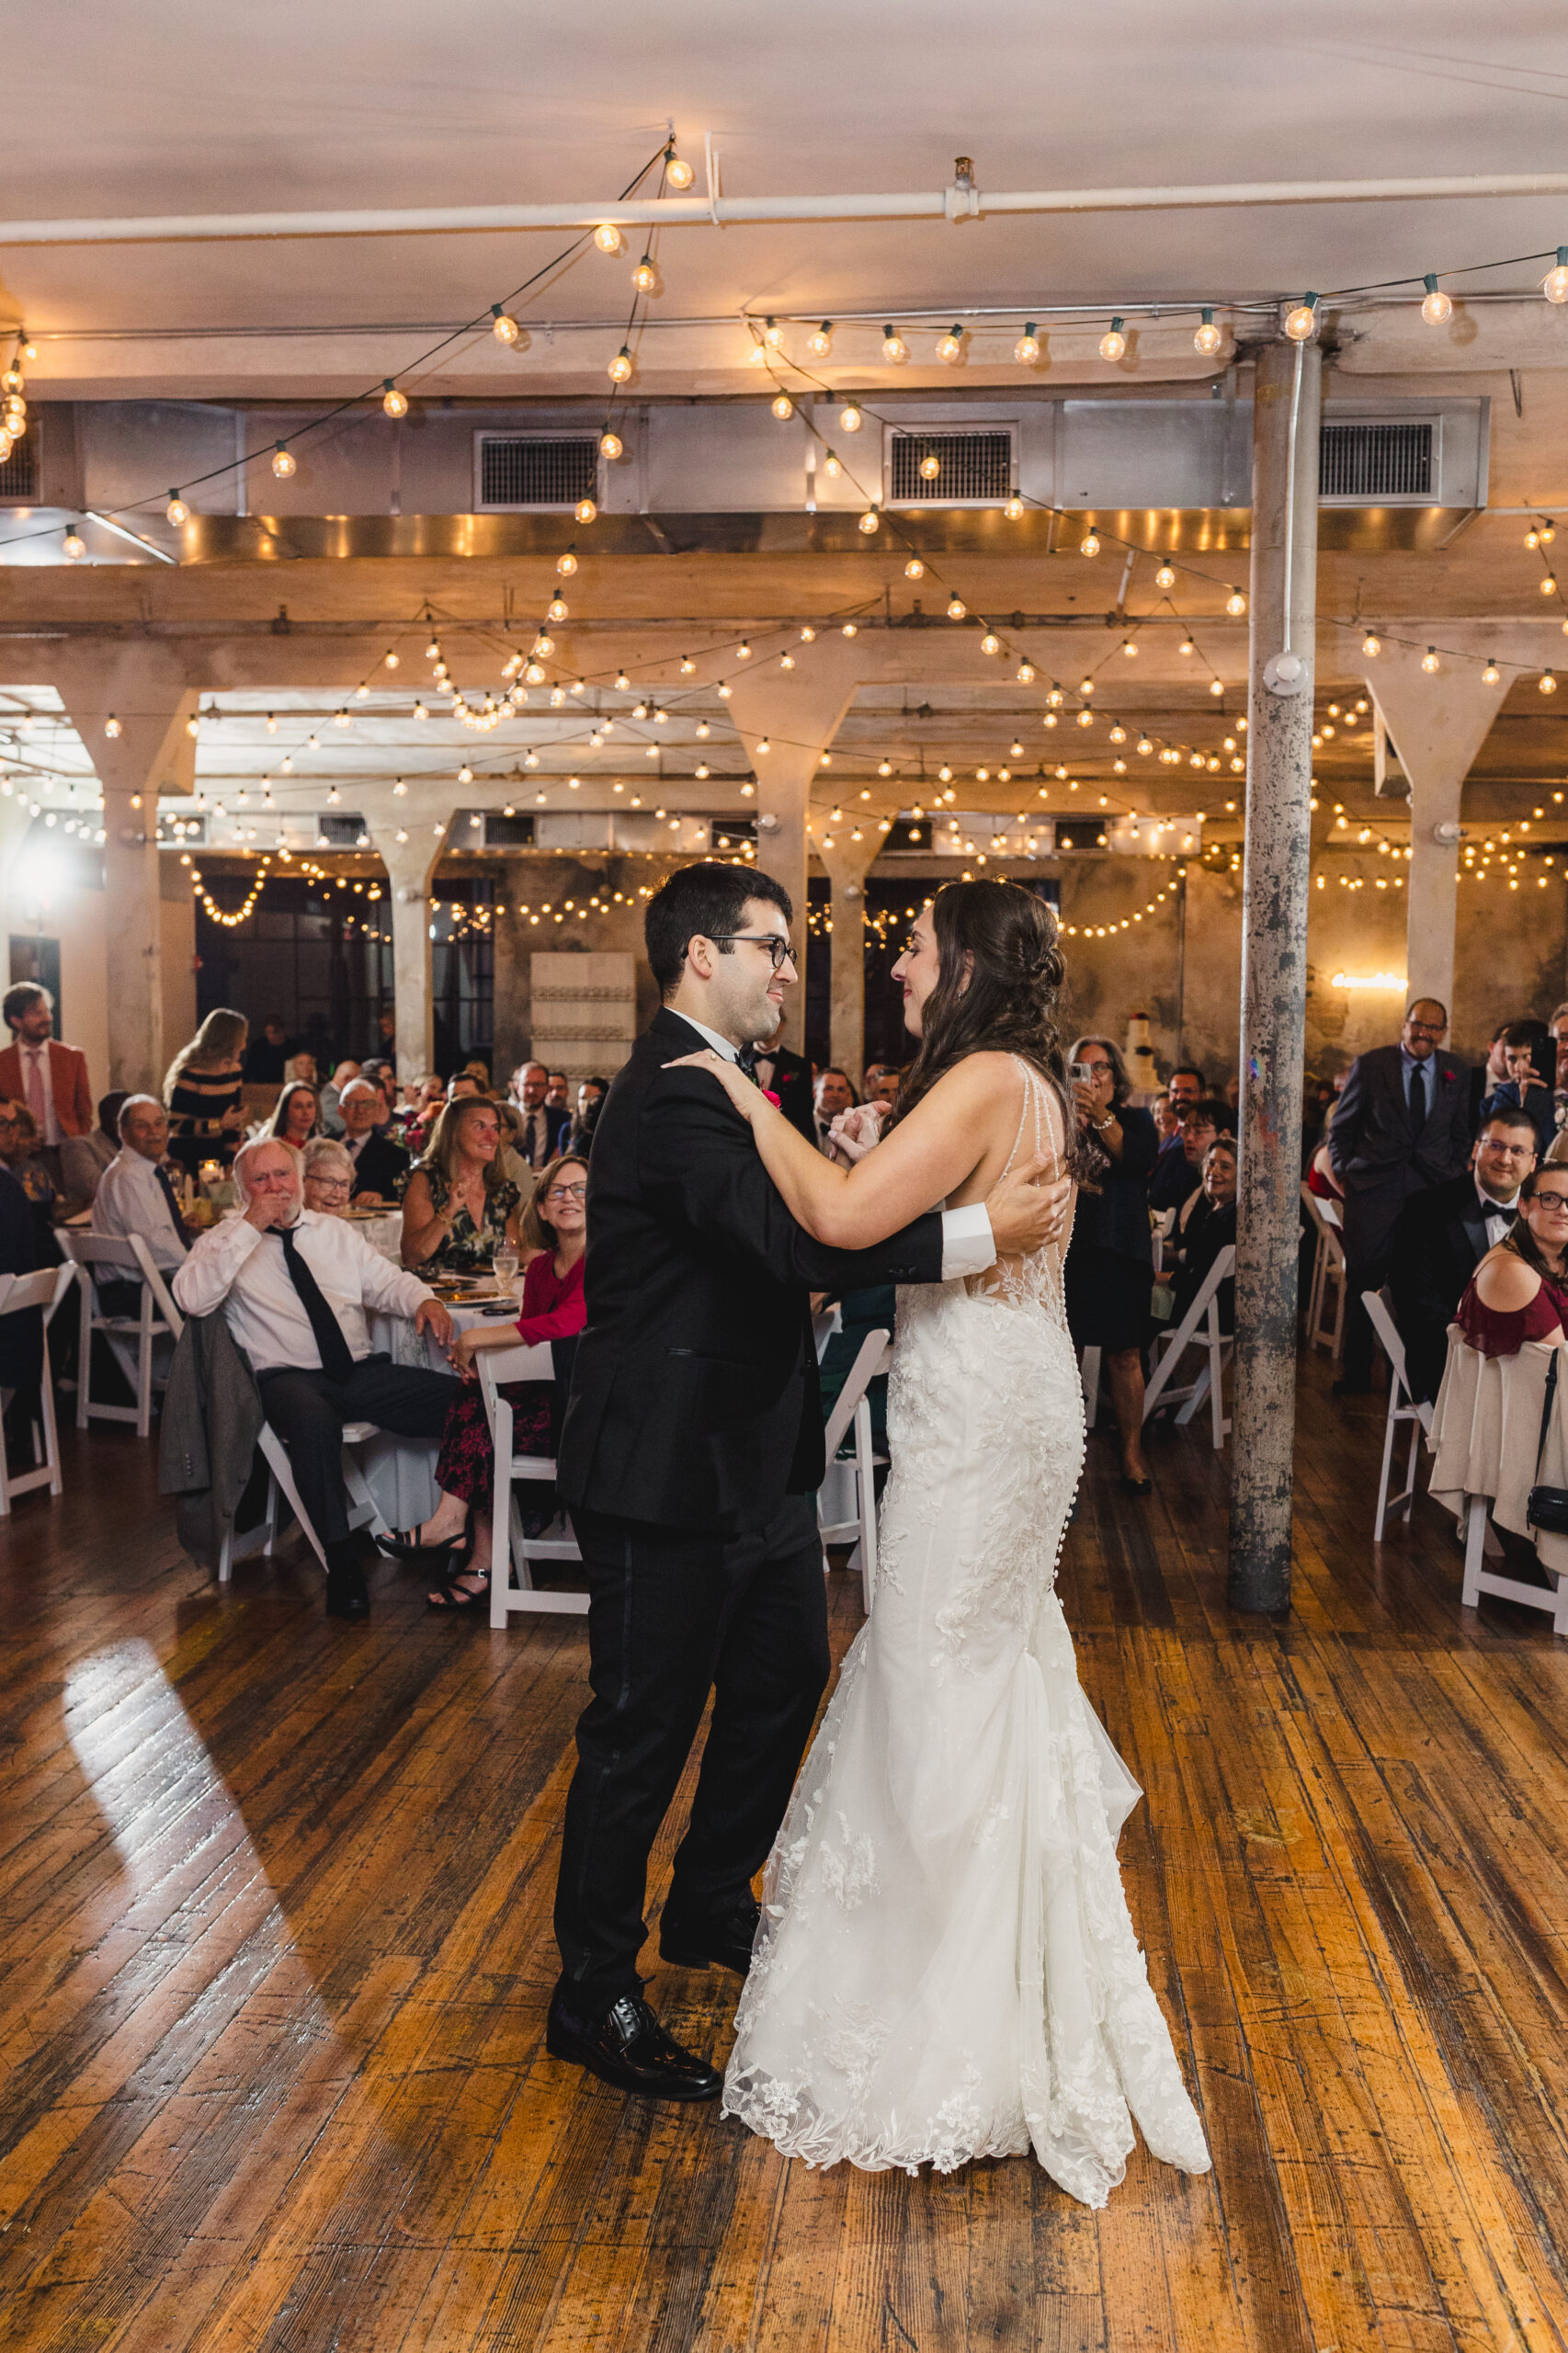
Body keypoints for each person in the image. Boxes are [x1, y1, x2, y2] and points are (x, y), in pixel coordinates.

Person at [663, 875, 1208, 2192]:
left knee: (929, 1683)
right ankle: (997, 1992)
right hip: (1006, 1399)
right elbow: (919, 1233)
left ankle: (943, 2025)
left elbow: (846, 1220)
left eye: (910, 948)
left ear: (963, 962)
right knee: (974, 1677)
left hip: (977, 1422)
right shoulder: (1015, 1081)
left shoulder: (980, 1085)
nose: (896, 968)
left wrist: (742, 1098)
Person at [544, 864, 1051, 2113]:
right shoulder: (671, 1092)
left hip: (750, 1460)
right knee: (637, 1731)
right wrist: (977, 1236)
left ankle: (711, 1898)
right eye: (767, 947)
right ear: (698, 958)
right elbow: (795, 1245)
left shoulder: (735, 1083)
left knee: (779, 1680)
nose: (787, 969)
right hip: (662, 1467)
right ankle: (591, 1990)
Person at [172, 1136, 458, 1620]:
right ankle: (341, 1560)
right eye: (260, 1179)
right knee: (311, 1421)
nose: (274, 1187)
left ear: (301, 1181)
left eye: (283, 1175)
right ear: (242, 1188)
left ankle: (465, 1532)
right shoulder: (223, 1240)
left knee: (464, 1401)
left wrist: (423, 1300)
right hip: (286, 1378)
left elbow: (386, 1281)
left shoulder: (334, 1233)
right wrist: (250, 1227)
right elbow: (192, 1299)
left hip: (355, 1370)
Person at [385, 1154, 591, 1608]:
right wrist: (491, 1365)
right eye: (557, 1190)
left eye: (580, 1189)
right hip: (544, 1400)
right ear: (540, 1209)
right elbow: (532, 1345)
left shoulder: (606, 1262)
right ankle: (474, 1553)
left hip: (587, 1411)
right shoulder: (539, 1269)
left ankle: (460, 1538)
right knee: (480, 1399)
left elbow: (568, 1324)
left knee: (485, 1411)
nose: (569, 1198)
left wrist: (478, 1339)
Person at [1328, 996, 1471, 1395]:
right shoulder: (1373, 1065)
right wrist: (1346, 1172)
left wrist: (1454, 1170)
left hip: (1433, 1191)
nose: (1423, 1033)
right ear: (1404, 1025)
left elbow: (1461, 1132)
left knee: (1422, 1285)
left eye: (1432, 1027)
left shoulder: (1457, 1071)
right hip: (1375, 1189)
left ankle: (1416, 1380)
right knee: (1365, 1281)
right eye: (1417, 1024)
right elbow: (1341, 1129)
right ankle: (1356, 1373)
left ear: (1443, 1032)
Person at [1062, 1034, 1161, 1491]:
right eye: (1082, 1068)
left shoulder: (1137, 1119)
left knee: (1126, 1355)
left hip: (1123, 1248)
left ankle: (1131, 1451)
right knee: (1066, 1355)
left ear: (1116, 1077)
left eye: (1101, 1067)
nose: (1093, 1076)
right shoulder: (1059, 1121)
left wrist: (1099, 1116)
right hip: (1071, 1251)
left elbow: (1132, 1157)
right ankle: (1062, 1455)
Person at [1388, 1108, 1537, 1404]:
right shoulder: (1426, 1209)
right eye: (1495, 1146)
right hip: (1451, 1361)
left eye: (1517, 1150)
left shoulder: (1545, 1212)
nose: (1505, 1159)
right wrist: (1482, 1351)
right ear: (1475, 1149)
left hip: (1531, 1362)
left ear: (1533, 1163)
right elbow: (1416, 1302)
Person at [1452, 1165, 1568, 1363]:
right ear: (1523, 1207)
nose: (1564, 1210)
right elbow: (1561, 1368)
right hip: (1537, 1391)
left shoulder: (1554, 1257)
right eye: (1549, 1199)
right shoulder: (1510, 1272)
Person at [400, 1097, 522, 1277]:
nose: (492, 1137)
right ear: (454, 1132)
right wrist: (449, 1211)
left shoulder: (503, 1191)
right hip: (439, 1296)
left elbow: (513, 1254)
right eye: (480, 1126)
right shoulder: (426, 1180)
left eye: (495, 1128)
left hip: (494, 1296)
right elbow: (412, 1257)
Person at [0, 982, 97, 1201]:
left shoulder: (72, 1057)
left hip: (65, 1154)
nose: (47, 1018)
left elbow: (84, 1109)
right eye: (36, 1013)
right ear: (16, 1021)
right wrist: (18, 1143)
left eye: (47, 1011)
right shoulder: (2, 1062)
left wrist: (76, 1144)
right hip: (19, 1156)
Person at [94, 1095, 194, 1275]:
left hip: (155, 1283)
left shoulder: (147, 1169)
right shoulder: (128, 1176)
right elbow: (156, 1245)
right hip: (139, 1294)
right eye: (142, 1126)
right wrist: (198, 1268)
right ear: (124, 1134)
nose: (153, 1132)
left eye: (158, 1123)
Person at [164, 1008, 249, 1177]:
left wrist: (231, 1159)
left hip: (218, 1152)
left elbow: (232, 1121)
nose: (244, 1045)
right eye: (241, 1039)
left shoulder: (234, 1071)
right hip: (188, 1155)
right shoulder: (191, 1073)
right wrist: (218, 1125)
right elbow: (176, 1125)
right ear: (227, 1040)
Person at [1168, 1136, 1237, 1335]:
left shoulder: (1225, 1219)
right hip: (1208, 1307)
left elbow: (1197, 1276)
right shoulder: (1217, 1210)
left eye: (1225, 1167)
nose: (1213, 1172)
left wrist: (1158, 1278)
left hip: (1208, 1313)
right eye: (1211, 1163)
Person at [1478, 1022, 1556, 1156]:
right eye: (1512, 1059)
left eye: (1527, 1057)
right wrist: (1526, 1103)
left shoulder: (1559, 1091)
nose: (1519, 1067)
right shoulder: (1504, 1095)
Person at [338, 1076, 409, 1202]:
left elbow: (403, 1197)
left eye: (367, 1104)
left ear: (376, 1109)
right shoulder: (322, 1144)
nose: (360, 1110)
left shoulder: (395, 1156)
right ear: (340, 1110)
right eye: (352, 1104)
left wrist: (381, 1198)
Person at [0, 1103, 59, 1254]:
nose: (12, 1135)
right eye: (4, 1126)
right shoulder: (18, 1175)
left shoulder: (32, 1170)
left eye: (16, 1128)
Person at [1147, 1065, 1206, 1211]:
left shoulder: (1206, 1137)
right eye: (1175, 1091)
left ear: (1202, 1095)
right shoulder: (1170, 1137)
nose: (1180, 1097)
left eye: (1188, 1091)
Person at [510, 1061, 571, 1168]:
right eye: (527, 1084)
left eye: (538, 1085)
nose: (532, 1090)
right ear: (517, 1087)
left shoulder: (563, 1120)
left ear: (547, 1087)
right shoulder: (505, 1118)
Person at [74, 1090, 130, 1203]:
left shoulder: (142, 1142)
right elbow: (93, 1188)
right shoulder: (81, 1146)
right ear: (117, 1121)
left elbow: (166, 1173)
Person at [301, 1136, 357, 1213]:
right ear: (302, 1181)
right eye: (328, 1182)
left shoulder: (346, 1225)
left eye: (344, 1185)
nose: (337, 1194)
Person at [811, 1067, 857, 1152]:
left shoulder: (854, 1130)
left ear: (847, 1095)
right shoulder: (797, 1125)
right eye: (829, 1088)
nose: (835, 1095)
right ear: (815, 1093)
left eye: (841, 1089)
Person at [267, 1082, 321, 1150]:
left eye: (309, 1106)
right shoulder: (275, 1147)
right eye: (298, 1106)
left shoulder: (318, 1144)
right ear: (285, 1110)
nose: (306, 1112)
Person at [565, 1076, 608, 1155]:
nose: (589, 1103)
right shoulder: (567, 1130)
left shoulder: (615, 1131)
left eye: (595, 1098)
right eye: (583, 1098)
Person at [243, 1015, 290, 1086]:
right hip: (262, 1088)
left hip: (285, 1087)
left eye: (275, 1032)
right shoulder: (258, 1047)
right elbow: (249, 1070)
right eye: (267, 1032)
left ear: (282, 1031)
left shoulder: (292, 1047)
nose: (270, 1036)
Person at [319, 1060, 361, 1137]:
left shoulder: (337, 1096)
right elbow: (346, 1127)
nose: (361, 1088)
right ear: (347, 1079)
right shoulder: (329, 1100)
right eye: (358, 1082)